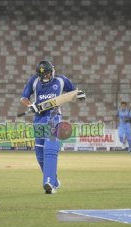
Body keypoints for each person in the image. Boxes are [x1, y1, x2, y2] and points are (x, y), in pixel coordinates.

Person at [21, 60, 85, 194]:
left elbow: (73, 92)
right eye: (43, 76)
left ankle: (49, 183)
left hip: (54, 118)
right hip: (38, 120)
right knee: (39, 153)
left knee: (50, 149)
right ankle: (54, 181)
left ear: (52, 71)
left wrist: (79, 94)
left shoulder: (61, 80)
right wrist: (30, 105)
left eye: (48, 74)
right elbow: (24, 97)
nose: (46, 78)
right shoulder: (34, 81)